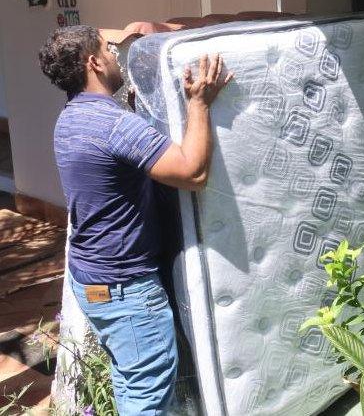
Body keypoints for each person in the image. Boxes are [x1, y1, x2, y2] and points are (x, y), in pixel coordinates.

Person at [39, 25, 232, 414]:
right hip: (126, 289)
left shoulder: (71, 117)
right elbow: (192, 174)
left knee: (131, 382)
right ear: (92, 62)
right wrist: (199, 103)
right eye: (108, 51)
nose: (115, 57)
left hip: (91, 282)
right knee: (148, 399)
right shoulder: (115, 125)